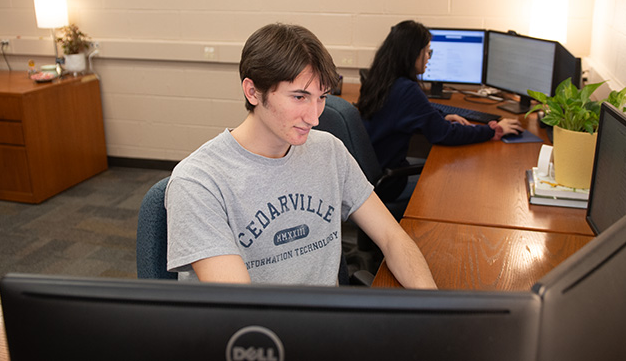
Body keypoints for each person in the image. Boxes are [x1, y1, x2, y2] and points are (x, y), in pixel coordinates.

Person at [165, 23, 437, 289]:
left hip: (329, 325)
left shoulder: (329, 151)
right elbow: (240, 307)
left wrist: (432, 308)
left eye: (321, 97)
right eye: (299, 97)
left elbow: (392, 238)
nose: (315, 117)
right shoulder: (198, 182)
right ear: (253, 92)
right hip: (262, 332)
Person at [358, 20, 522, 203]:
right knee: (452, 183)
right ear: (413, 54)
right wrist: (494, 130)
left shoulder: (378, 80)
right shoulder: (407, 90)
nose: (429, 57)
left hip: (370, 177)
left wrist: (442, 115)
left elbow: (408, 113)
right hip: (388, 185)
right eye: (428, 51)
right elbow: (445, 134)